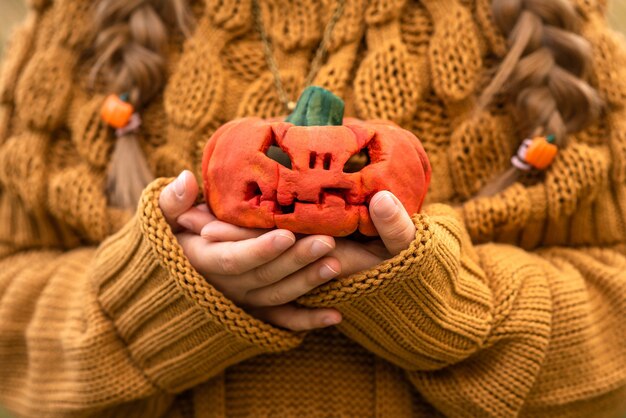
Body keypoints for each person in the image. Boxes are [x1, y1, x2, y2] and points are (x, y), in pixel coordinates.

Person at [0, 0, 624, 416]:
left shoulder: (548, 25)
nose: (319, 173)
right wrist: (149, 302)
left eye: (350, 164)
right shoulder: (78, 28)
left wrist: (449, 304)